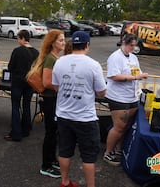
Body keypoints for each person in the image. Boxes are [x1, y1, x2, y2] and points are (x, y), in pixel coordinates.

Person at [52, 31, 107, 187]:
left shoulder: (60, 61)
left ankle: (65, 182)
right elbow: (102, 91)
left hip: (63, 115)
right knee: (88, 156)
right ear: (87, 45)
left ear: (72, 44)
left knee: (64, 151)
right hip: (85, 118)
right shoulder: (93, 65)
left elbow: (56, 86)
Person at [103, 33, 148, 166]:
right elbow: (114, 76)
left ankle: (118, 150)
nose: (132, 48)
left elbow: (136, 72)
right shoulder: (115, 57)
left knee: (126, 126)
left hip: (132, 95)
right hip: (118, 97)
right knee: (119, 127)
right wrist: (135, 78)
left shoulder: (133, 57)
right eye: (130, 45)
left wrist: (140, 76)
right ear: (123, 42)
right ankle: (108, 153)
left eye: (134, 45)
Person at [29, 30, 66, 178]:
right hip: (50, 100)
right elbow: (46, 82)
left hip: (54, 100)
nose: (63, 43)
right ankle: (46, 165)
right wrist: (63, 86)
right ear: (52, 43)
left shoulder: (56, 57)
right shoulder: (51, 59)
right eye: (60, 40)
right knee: (51, 133)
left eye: (63, 40)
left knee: (54, 132)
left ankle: (52, 160)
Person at [4, 29, 39, 141]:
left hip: (18, 82)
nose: (18, 41)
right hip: (30, 83)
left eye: (18, 38)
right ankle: (26, 129)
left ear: (22, 38)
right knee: (27, 105)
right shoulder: (36, 52)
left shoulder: (17, 51)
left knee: (15, 106)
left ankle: (16, 132)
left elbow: (10, 67)